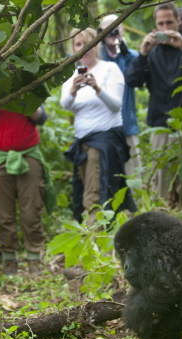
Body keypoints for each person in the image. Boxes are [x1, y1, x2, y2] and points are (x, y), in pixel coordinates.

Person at [125, 3, 182, 202]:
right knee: (162, 189)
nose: (164, 29)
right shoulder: (151, 53)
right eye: (160, 24)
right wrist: (143, 53)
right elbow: (131, 81)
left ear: (179, 21)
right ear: (155, 26)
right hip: (161, 126)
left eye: (169, 22)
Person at [60, 28, 137, 226]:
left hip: (105, 141)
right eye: (78, 44)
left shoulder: (109, 69)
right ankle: (107, 236)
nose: (83, 49)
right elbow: (65, 105)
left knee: (93, 196)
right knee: (89, 190)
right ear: (73, 48)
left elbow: (116, 105)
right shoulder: (71, 75)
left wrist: (97, 88)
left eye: (88, 44)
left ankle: (93, 245)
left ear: (96, 46)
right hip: (82, 143)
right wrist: (74, 89)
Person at [0, 104, 56, 275]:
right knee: (3, 214)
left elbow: (41, 118)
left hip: (28, 155)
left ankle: (34, 259)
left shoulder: (29, 85)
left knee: (31, 211)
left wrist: (25, 99)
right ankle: (9, 260)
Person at [98, 15, 142, 183]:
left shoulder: (132, 57)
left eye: (116, 29)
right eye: (107, 30)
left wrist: (121, 51)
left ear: (123, 31)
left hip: (127, 125)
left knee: (133, 178)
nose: (112, 33)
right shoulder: (96, 58)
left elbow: (132, 75)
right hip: (103, 128)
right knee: (106, 179)